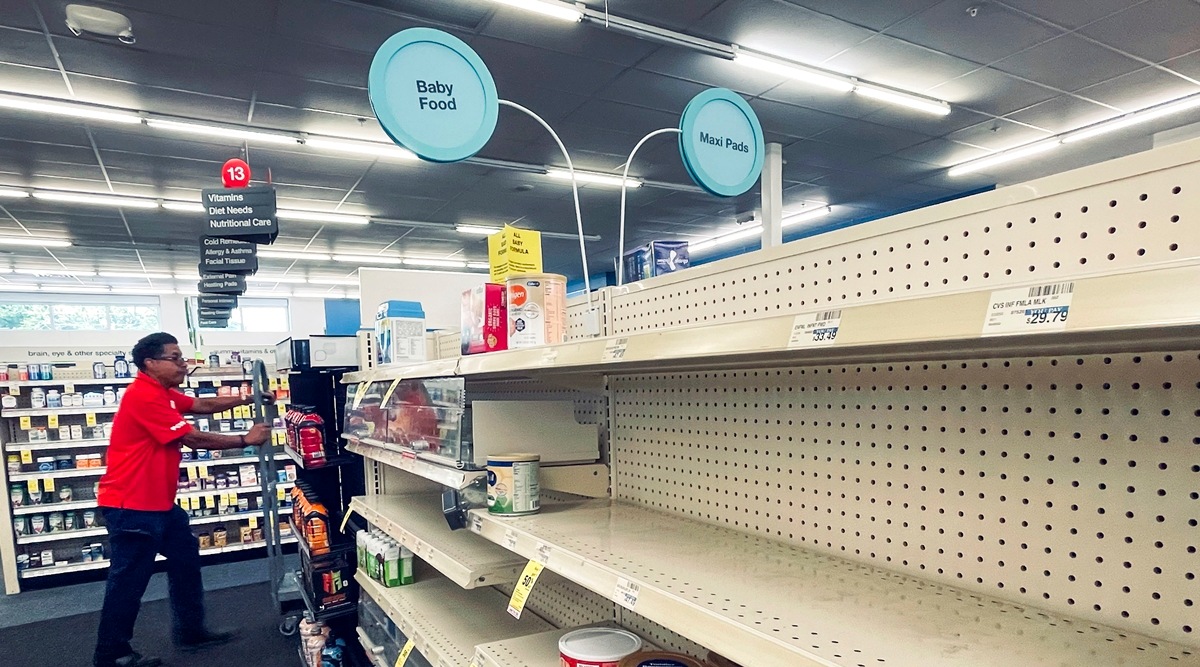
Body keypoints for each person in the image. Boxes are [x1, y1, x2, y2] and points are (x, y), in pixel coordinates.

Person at [92, 333, 273, 667]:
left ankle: (191, 630)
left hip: (160, 505)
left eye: (182, 357)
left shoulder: (163, 393)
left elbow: (202, 405)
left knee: (185, 559)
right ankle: (111, 654)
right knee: (128, 581)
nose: (183, 364)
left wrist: (246, 398)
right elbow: (192, 439)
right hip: (131, 506)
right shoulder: (143, 396)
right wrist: (244, 439)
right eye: (174, 358)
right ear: (150, 363)